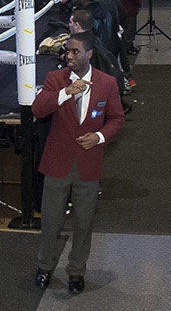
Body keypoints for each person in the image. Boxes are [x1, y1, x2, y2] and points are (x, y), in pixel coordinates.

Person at [31, 33, 126, 295]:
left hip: (88, 164)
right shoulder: (55, 79)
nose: (69, 56)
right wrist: (65, 93)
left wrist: (99, 137)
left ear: (89, 54)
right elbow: (38, 109)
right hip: (57, 163)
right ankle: (45, 267)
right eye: (67, 51)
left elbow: (117, 118)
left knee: (84, 223)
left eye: (75, 51)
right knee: (51, 221)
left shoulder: (107, 83)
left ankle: (76, 271)